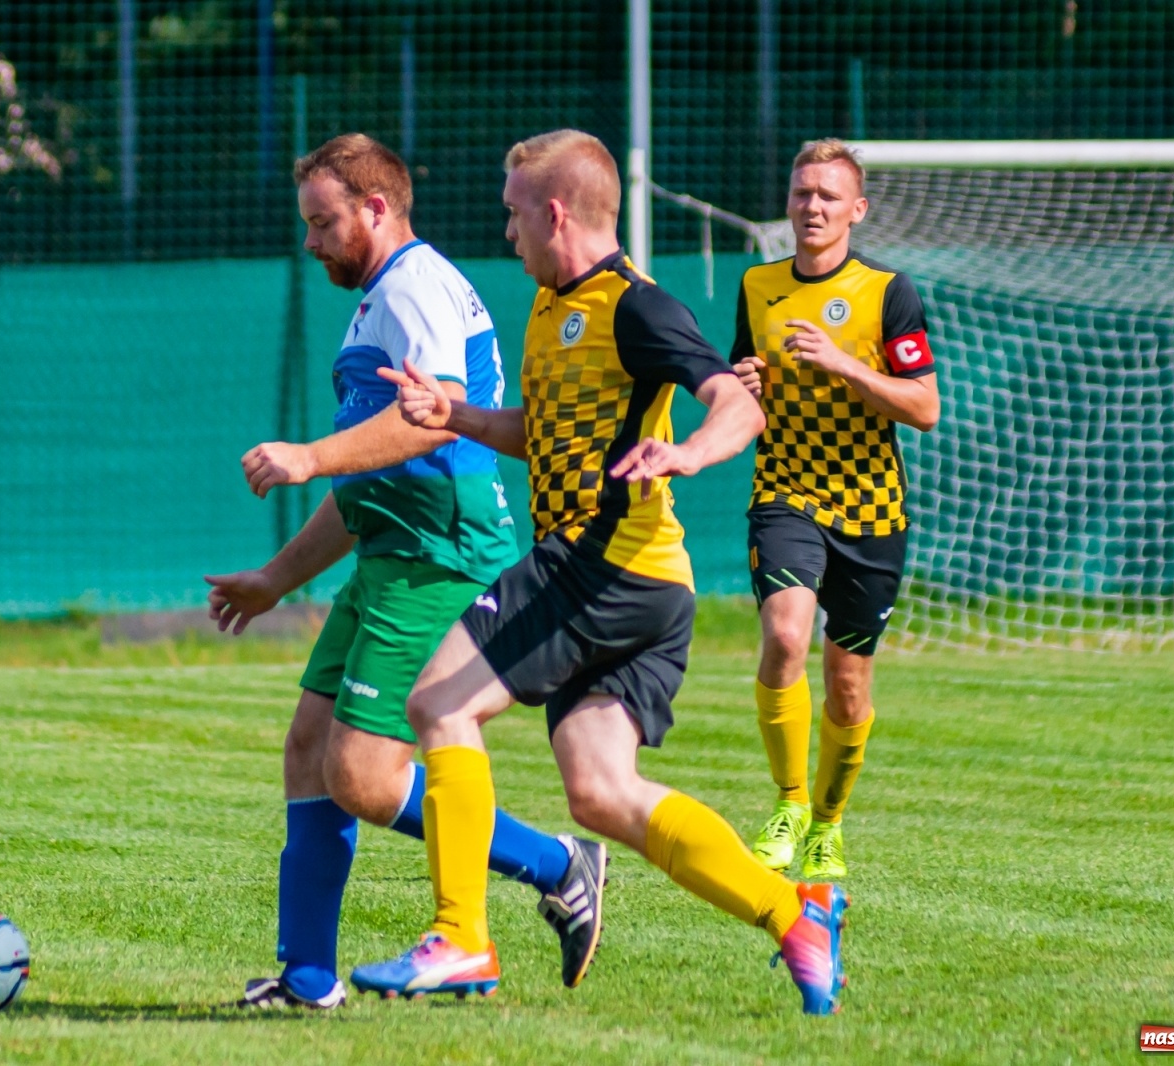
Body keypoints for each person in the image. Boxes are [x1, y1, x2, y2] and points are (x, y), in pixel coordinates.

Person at [350, 129, 849, 1015]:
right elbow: (540, 433)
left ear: (555, 214)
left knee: (437, 706)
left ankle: (461, 937)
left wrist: (688, 453)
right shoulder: (551, 306)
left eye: (513, 214)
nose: (506, 232)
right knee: (600, 792)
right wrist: (452, 415)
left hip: (601, 564)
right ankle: (793, 916)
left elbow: (736, 406)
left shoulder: (635, 306)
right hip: (647, 586)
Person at [204, 134, 606, 1010]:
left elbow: (433, 419)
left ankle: (559, 864)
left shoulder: (414, 285)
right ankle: (308, 980)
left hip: (439, 554)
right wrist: (276, 578)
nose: (310, 241)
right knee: (309, 749)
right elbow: (368, 481)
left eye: (323, 222)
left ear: (376, 209)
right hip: (392, 552)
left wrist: (309, 455)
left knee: (362, 775)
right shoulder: (380, 298)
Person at [731, 138, 941, 881]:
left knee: (849, 685)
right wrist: (743, 383)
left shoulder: (888, 293)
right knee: (786, 635)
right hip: (786, 492)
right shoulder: (757, 284)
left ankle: (827, 823)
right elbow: (742, 383)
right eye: (802, 193)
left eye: (827, 195)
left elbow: (925, 407)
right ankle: (789, 804)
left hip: (872, 511)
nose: (812, 206)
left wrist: (845, 363)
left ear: (858, 210)